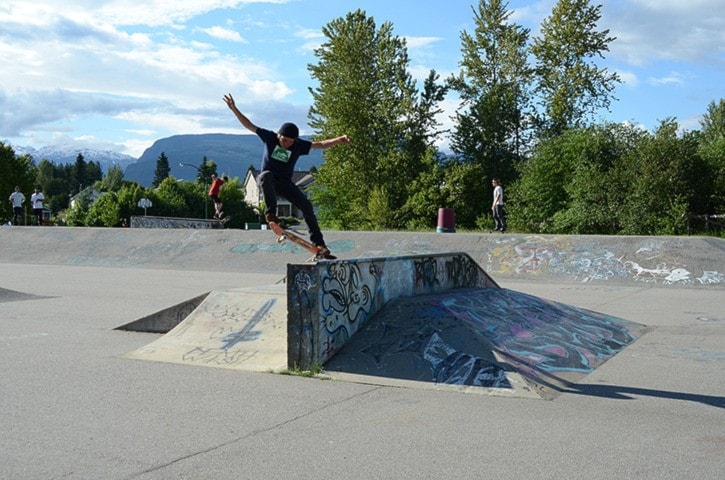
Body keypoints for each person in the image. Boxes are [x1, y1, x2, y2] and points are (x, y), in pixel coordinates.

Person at [223, 93, 350, 257]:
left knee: (307, 206)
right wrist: (234, 109)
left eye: (290, 142)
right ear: (278, 135)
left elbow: (320, 144)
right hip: (266, 180)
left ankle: (319, 243)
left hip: (285, 184)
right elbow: (249, 125)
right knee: (266, 175)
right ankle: (271, 215)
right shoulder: (269, 137)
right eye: (284, 140)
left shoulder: (298, 145)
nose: (287, 144)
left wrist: (339, 139)